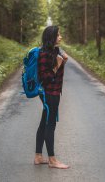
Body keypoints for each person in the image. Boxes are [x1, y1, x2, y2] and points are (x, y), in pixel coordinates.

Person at [34, 25, 70, 169]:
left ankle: (38, 156)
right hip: (50, 93)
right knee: (50, 124)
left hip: (53, 92)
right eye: (58, 35)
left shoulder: (53, 51)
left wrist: (63, 59)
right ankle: (52, 160)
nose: (60, 37)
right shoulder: (44, 54)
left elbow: (57, 67)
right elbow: (46, 77)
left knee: (44, 122)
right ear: (51, 38)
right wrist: (58, 64)